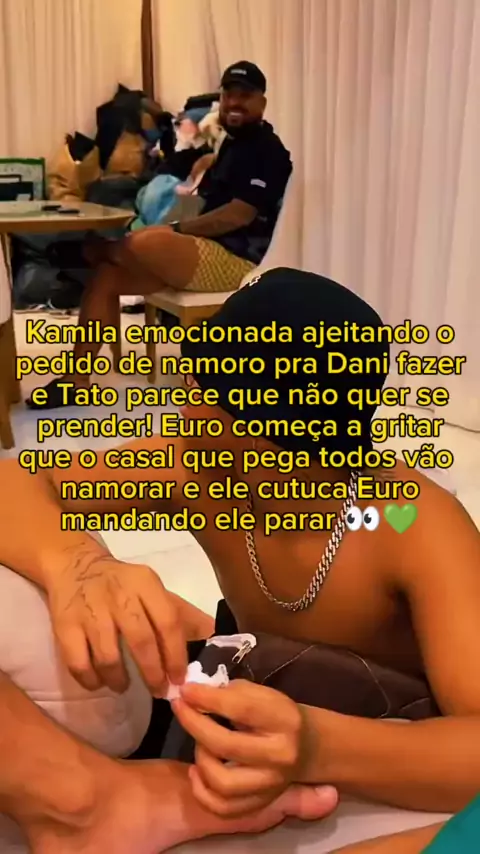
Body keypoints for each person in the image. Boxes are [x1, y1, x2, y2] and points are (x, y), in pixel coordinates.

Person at [2, 267, 480, 851]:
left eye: (197, 382)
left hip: (380, 757)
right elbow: (17, 480)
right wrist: (79, 565)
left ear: (259, 430)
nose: (180, 397)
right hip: (243, 701)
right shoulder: (197, 467)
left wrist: (313, 744)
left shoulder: (412, 525)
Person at [30, 60, 292, 410]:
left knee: (146, 240)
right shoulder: (231, 145)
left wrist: (177, 229)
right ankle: (77, 381)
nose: (234, 103)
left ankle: (92, 251)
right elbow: (206, 196)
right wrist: (205, 166)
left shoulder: (268, 150)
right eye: (229, 95)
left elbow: (237, 215)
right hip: (202, 251)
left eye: (244, 96)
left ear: (262, 102)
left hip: (237, 261)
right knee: (106, 276)